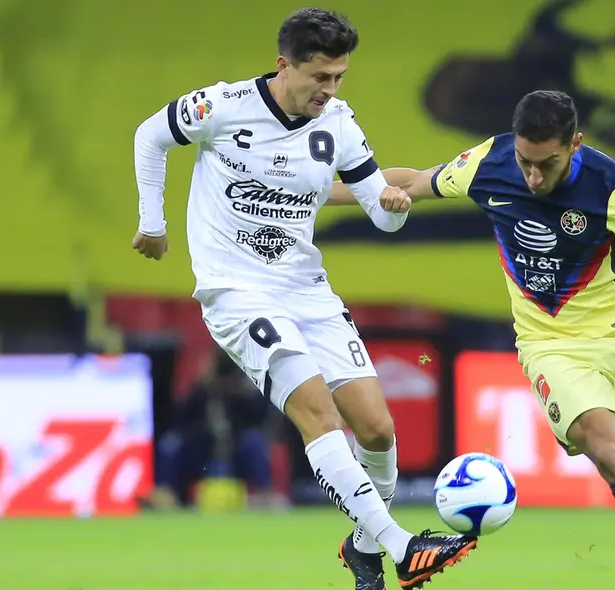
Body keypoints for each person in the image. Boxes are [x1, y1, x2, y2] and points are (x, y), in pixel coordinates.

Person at [330, 90, 615, 590]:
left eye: (547, 164)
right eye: (524, 162)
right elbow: (412, 181)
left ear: (575, 144)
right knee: (611, 450)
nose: (532, 177)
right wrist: (311, 191)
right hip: (549, 343)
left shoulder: (612, 186)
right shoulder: (490, 163)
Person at [130, 8, 477, 590]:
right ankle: (401, 545)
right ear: (283, 65)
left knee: (378, 430)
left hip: (306, 290)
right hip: (237, 291)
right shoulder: (224, 106)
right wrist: (152, 222)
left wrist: (393, 209)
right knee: (317, 410)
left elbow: (379, 210)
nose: (331, 89)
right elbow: (150, 135)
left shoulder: (338, 125)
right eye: (320, 77)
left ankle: (365, 550)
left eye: (339, 76)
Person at [153, 350, 283, 509]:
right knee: (171, 442)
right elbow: (179, 417)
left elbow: (261, 417)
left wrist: (245, 391)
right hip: (202, 449)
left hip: (236, 449)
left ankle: (263, 496)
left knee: (254, 441)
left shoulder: (242, 394)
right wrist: (203, 386)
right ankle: (167, 495)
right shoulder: (202, 392)